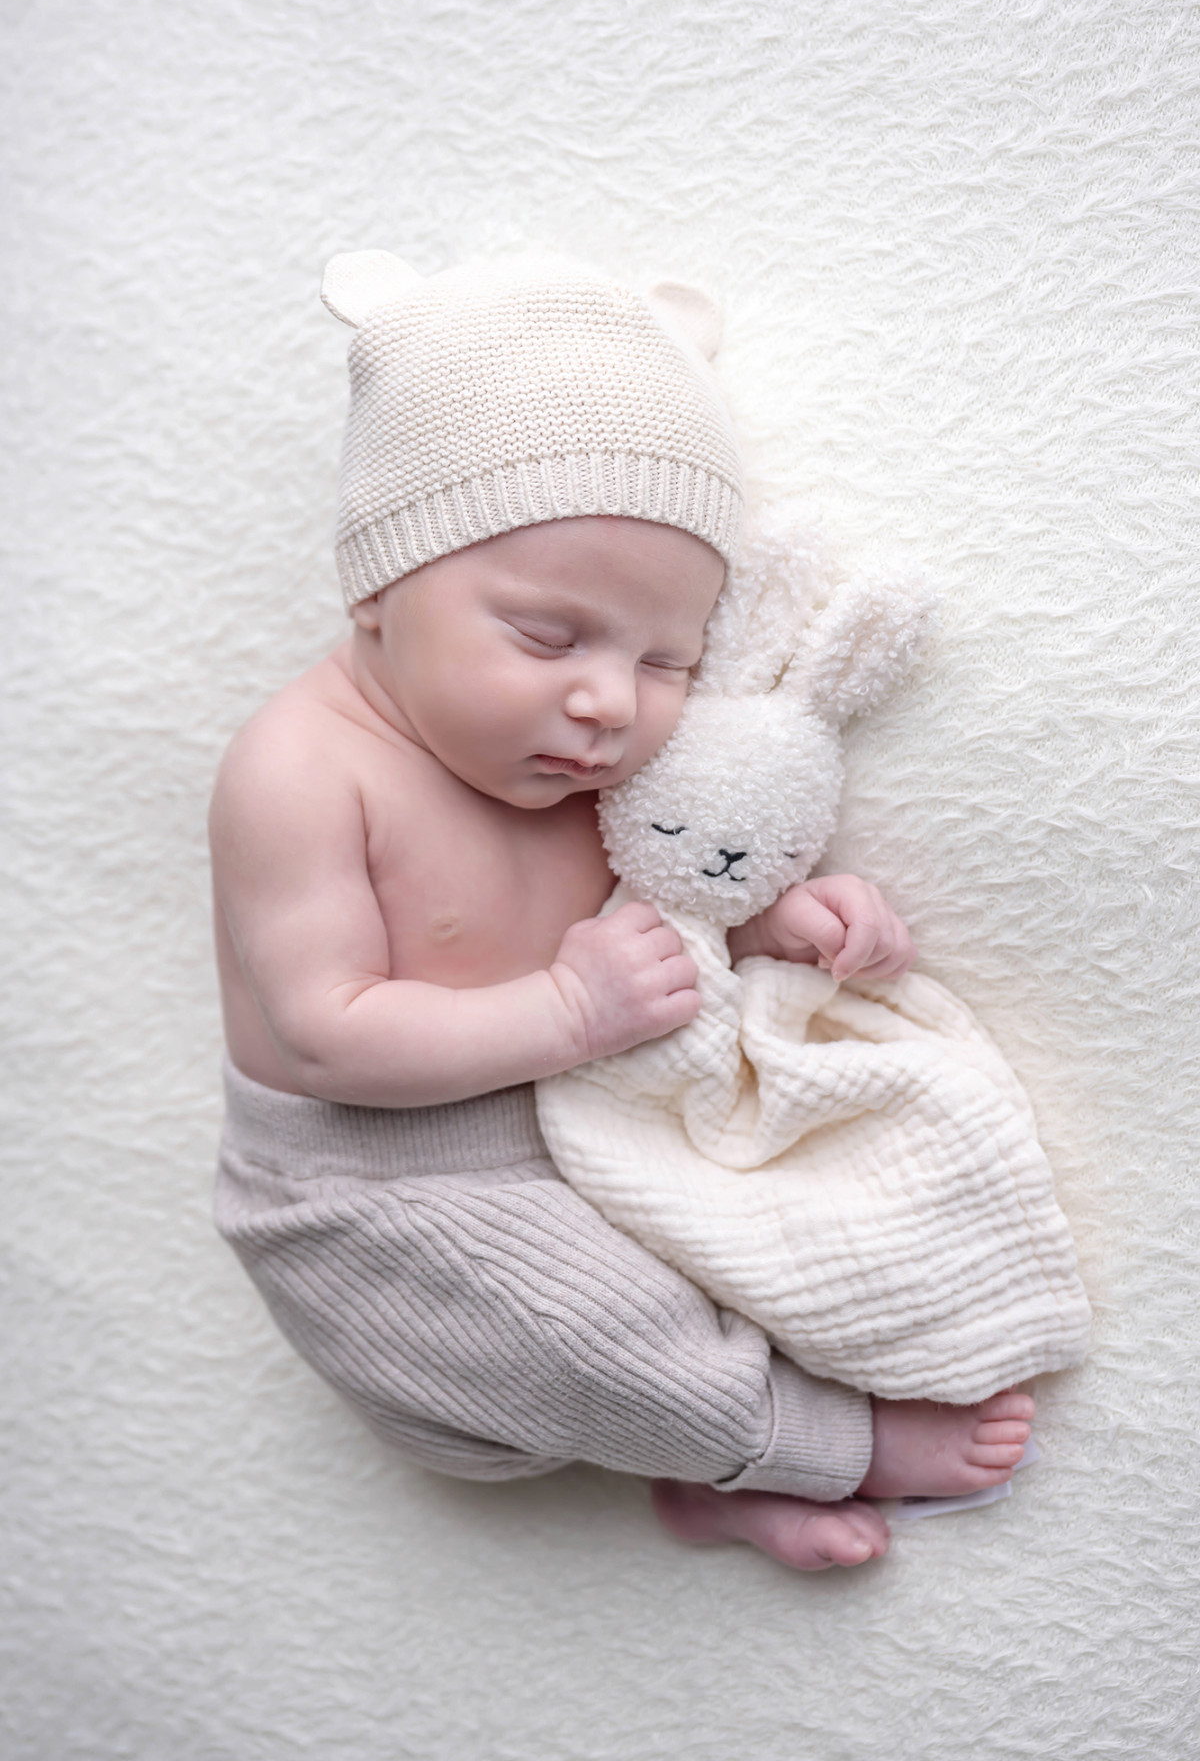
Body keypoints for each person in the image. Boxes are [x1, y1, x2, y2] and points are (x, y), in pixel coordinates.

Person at [211, 254, 1033, 1572]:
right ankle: (826, 1441)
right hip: (385, 1207)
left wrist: (769, 922)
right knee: (594, 1333)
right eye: (549, 638)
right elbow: (325, 1032)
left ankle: (706, 1477)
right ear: (377, 586)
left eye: (666, 661)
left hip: (574, 1128)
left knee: (789, 1214)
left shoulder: (559, 753)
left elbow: (658, 894)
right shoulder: (302, 770)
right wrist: (568, 1009)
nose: (608, 702)